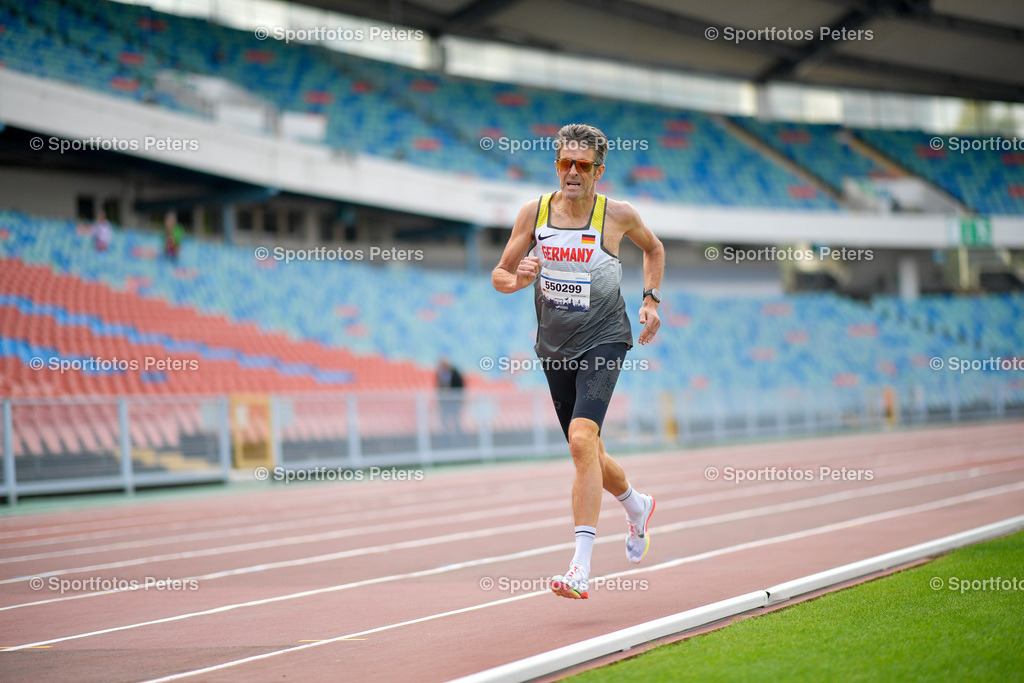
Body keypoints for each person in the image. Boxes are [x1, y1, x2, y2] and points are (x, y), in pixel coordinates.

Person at [492, 123, 664, 599]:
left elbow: (654, 248)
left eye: (582, 165)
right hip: (555, 347)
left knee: (581, 437)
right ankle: (636, 504)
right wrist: (521, 277)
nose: (571, 172)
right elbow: (500, 276)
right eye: (565, 163)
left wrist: (651, 299)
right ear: (556, 166)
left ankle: (580, 566)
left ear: (598, 171)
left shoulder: (618, 214)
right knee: (586, 450)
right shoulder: (535, 212)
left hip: (606, 337)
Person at [436, 357, 465, 436]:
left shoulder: (455, 373)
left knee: (456, 419)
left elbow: (460, 386)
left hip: (454, 402)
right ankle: (446, 436)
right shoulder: (441, 374)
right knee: (444, 420)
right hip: (445, 403)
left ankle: (459, 435)